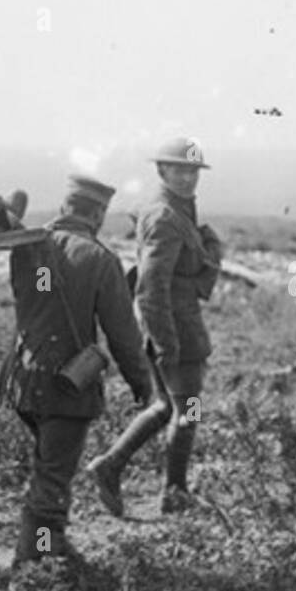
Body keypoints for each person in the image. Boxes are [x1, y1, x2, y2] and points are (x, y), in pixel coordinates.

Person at [0, 175, 152, 567]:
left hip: (21, 380)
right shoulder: (100, 259)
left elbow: (31, 299)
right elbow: (123, 334)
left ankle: (50, 544)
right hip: (64, 387)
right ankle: (37, 561)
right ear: (97, 214)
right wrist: (140, 382)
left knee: (48, 464)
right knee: (52, 476)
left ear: (65, 207)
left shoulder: (27, 248)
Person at [87, 138, 223, 516]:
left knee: (168, 406)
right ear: (161, 171)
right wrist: (166, 343)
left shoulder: (174, 211)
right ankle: (173, 493)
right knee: (188, 409)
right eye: (178, 169)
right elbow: (150, 286)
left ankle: (110, 465)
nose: (187, 177)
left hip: (174, 327)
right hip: (176, 331)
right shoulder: (165, 216)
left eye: (192, 170)